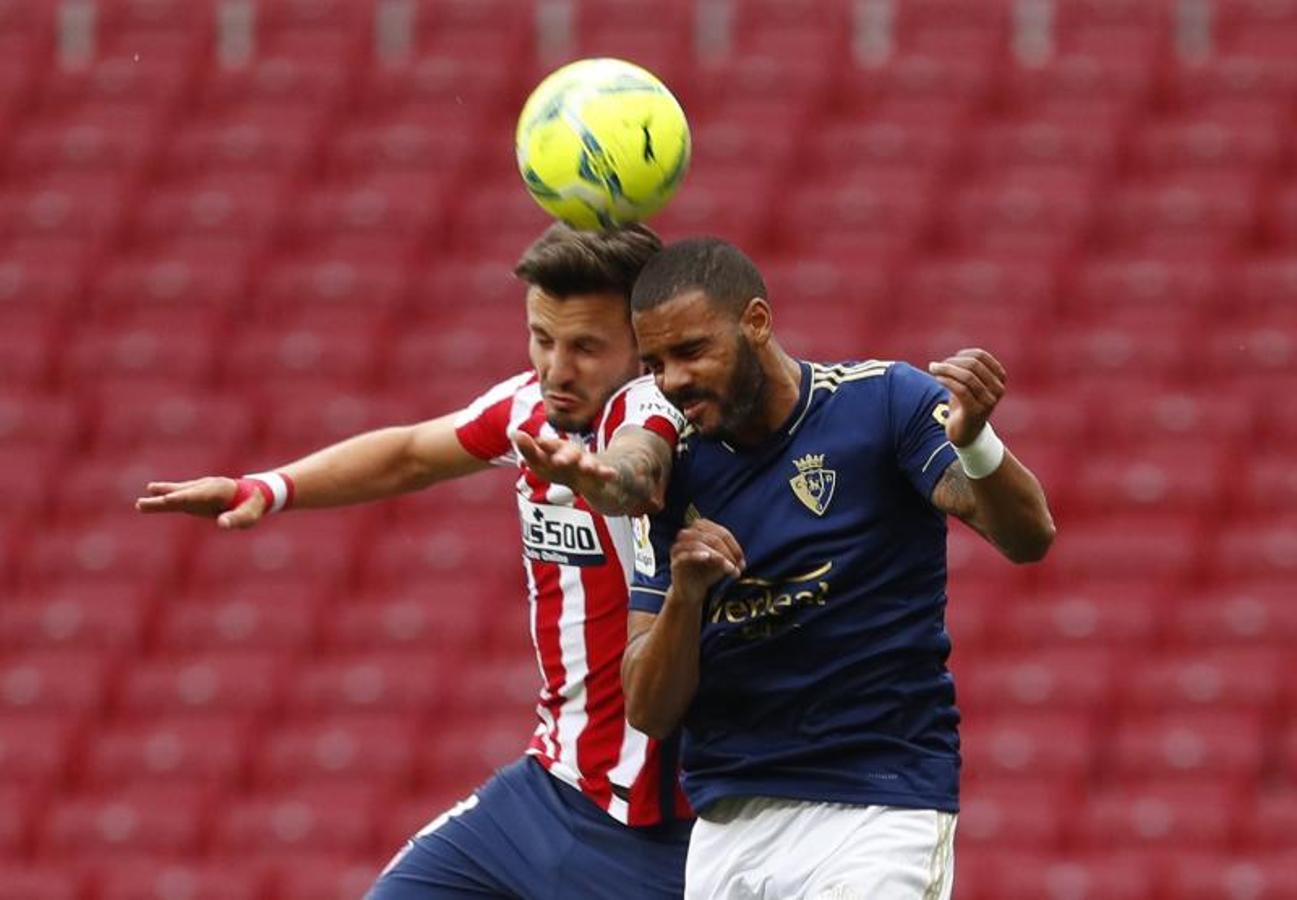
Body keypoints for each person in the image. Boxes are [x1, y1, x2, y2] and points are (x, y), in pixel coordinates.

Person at [135, 223, 692, 899]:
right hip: (548, 793)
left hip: (668, 836)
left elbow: (638, 460)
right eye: (542, 339)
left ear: (643, 349)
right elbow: (410, 453)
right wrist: (268, 487)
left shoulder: (661, 413)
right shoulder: (528, 411)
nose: (555, 368)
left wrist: (606, 482)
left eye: (585, 347)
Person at [620, 237, 1057, 900]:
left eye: (689, 352)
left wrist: (974, 442)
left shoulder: (882, 405)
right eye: (654, 364)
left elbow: (1027, 537)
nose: (671, 381)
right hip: (730, 820)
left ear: (756, 322)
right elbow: (649, 712)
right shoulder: (672, 475)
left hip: (878, 802)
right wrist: (685, 595)